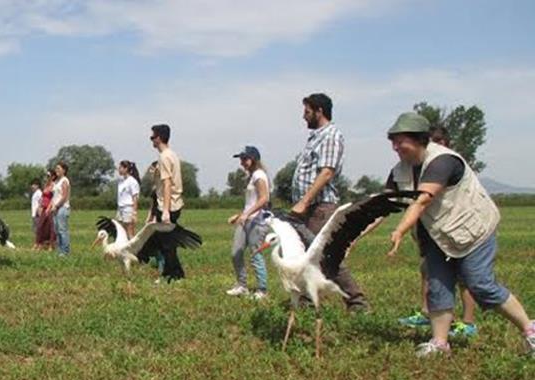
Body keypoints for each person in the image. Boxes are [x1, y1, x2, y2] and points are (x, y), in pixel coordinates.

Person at [382, 112, 534, 357]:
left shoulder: (443, 161)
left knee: (480, 284)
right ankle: (440, 343)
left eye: (401, 141)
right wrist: (353, 232)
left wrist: (400, 230)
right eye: (393, 141)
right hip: (438, 234)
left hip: (473, 229)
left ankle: (530, 330)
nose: (396, 147)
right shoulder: (401, 170)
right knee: (437, 286)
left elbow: (421, 201)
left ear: (420, 139)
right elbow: (381, 205)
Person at [397, 125, 479, 337]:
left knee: (465, 277)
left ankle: (468, 323)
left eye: (439, 142)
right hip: (430, 232)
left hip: (456, 231)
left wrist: (400, 230)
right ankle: (428, 315)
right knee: (430, 272)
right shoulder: (409, 167)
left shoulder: (448, 164)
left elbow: (424, 200)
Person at [290, 93, 368, 311]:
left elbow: (327, 172)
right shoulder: (316, 137)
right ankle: (307, 299)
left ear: (319, 111)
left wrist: (304, 202)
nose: (303, 116)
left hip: (320, 206)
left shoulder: (331, 135)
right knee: (307, 255)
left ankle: (357, 302)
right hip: (310, 206)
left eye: (307, 111)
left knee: (326, 256)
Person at [225, 146, 272, 300]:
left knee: (255, 254)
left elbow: (264, 199)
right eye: (241, 159)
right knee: (236, 253)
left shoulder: (259, 175)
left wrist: (246, 214)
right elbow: (252, 202)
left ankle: (262, 290)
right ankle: (242, 286)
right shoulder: (251, 177)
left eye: (244, 159)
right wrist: (239, 215)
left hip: (257, 222)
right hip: (246, 219)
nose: (242, 163)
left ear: (253, 159)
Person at [150, 124, 186, 282]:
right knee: (167, 242)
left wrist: (165, 210)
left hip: (168, 205)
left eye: (152, 137)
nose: (151, 140)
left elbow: (167, 184)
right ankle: (177, 273)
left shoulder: (164, 156)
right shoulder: (172, 154)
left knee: (166, 244)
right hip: (175, 203)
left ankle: (170, 275)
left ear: (159, 138)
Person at [50, 162, 71, 256]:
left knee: (62, 230)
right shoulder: (56, 181)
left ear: (64, 170)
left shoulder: (64, 181)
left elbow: (64, 196)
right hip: (55, 209)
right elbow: (54, 196)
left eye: (59, 168)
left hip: (62, 208)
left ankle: (65, 251)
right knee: (57, 230)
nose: (56, 170)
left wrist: (56, 206)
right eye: (56, 168)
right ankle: (60, 250)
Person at [116, 160, 141, 238]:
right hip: (120, 208)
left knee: (130, 232)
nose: (118, 169)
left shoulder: (132, 181)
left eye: (120, 167)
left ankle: (133, 249)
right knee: (121, 231)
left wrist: (134, 213)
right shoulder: (121, 181)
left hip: (128, 208)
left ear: (126, 168)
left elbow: (135, 198)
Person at [35, 170, 57, 250]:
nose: (46, 177)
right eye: (46, 175)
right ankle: (39, 243)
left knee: (51, 227)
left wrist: (49, 208)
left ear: (53, 177)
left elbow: (54, 198)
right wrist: (39, 206)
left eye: (48, 176)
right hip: (43, 208)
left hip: (50, 208)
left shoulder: (54, 186)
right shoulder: (45, 185)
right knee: (40, 226)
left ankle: (51, 245)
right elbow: (42, 197)